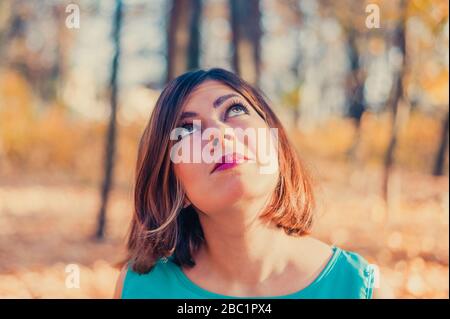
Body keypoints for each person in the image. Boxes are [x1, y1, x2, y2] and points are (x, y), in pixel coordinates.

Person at [113, 68, 382, 299]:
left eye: (235, 109)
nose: (218, 133)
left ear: (277, 145)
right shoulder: (141, 288)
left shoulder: (355, 286)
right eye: (186, 130)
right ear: (174, 186)